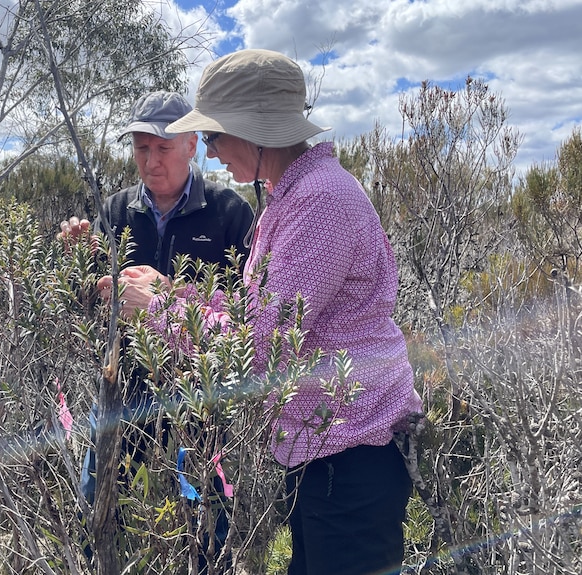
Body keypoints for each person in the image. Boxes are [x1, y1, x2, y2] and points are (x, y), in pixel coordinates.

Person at [105, 50, 423, 575]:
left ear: (256, 131)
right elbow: (264, 313)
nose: (211, 153)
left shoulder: (319, 203)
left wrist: (157, 310)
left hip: (350, 462)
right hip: (328, 456)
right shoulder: (293, 195)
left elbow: (259, 351)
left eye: (215, 137)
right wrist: (177, 295)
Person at [60, 90, 254, 571]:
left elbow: (249, 315)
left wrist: (169, 299)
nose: (151, 160)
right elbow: (87, 306)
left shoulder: (231, 213)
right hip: (124, 389)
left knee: (209, 515)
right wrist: (77, 267)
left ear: (192, 145)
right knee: (98, 502)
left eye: (163, 147)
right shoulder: (117, 210)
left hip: (202, 395)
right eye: (141, 148)